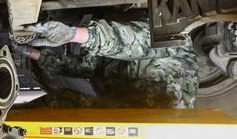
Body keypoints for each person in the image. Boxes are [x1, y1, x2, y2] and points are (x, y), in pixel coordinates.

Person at [12, 19, 199, 109]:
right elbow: (136, 41)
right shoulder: (175, 61)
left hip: (137, 111)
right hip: (157, 58)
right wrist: (77, 35)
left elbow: (93, 68)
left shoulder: (124, 108)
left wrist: (35, 54)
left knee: (57, 105)